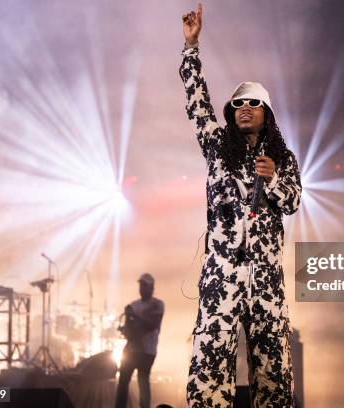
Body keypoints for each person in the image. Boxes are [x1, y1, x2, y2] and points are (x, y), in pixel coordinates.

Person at [180, 4, 302, 407]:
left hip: (266, 280)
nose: (244, 109)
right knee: (209, 369)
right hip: (223, 275)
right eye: (237, 105)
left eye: (252, 103)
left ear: (266, 113)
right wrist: (191, 47)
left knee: (274, 373)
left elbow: (293, 202)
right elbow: (197, 102)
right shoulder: (217, 148)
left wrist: (274, 180)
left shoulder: (282, 160)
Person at [115, 273, 165, 408]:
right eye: (140, 285)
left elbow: (152, 325)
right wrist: (124, 329)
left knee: (143, 382)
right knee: (122, 383)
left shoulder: (157, 304)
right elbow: (129, 330)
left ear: (152, 287)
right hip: (131, 348)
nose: (141, 288)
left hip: (146, 350)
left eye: (145, 286)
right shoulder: (134, 305)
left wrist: (134, 317)